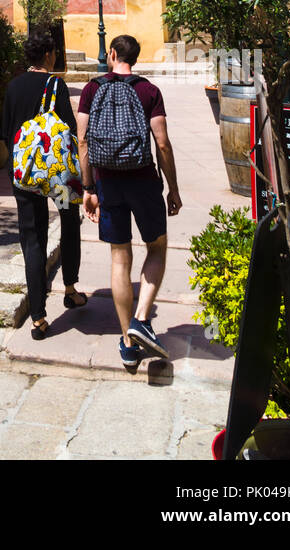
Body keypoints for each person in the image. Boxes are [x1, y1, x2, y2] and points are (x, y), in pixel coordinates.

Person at [77, 33, 182, 372]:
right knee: (157, 248)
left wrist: (88, 188)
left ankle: (127, 342)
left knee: (119, 257)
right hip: (144, 181)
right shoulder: (149, 91)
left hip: (107, 181)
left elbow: (82, 142)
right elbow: (162, 144)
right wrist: (173, 189)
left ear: (111, 55)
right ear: (134, 58)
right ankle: (140, 319)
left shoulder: (93, 89)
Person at [3, 33, 86, 341]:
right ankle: (70, 288)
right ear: (49, 55)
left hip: (25, 173)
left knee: (32, 237)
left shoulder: (13, 86)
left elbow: (5, 129)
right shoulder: (56, 85)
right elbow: (70, 127)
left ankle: (38, 317)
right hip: (58, 175)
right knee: (69, 221)